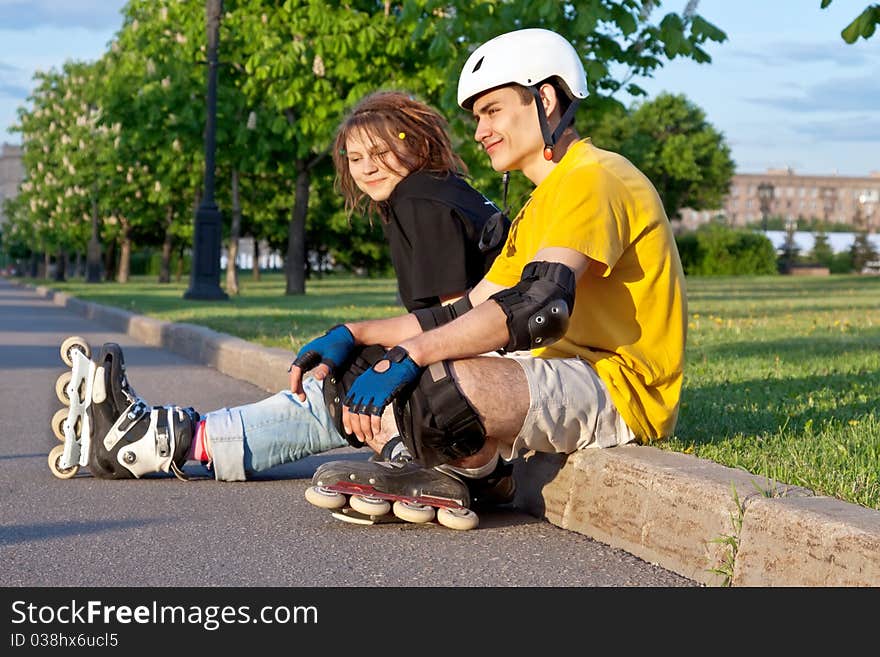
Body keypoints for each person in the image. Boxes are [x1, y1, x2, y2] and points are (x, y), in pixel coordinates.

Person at [293, 28, 687, 526]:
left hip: (619, 388)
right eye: (477, 117)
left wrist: (415, 353)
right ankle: (463, 471)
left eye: (492, 111)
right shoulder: (539, 202)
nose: (479, 131)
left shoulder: (595, 177)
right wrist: (355, 335)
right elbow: (465, 309)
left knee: (434, 382)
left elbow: (540, 306)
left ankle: (460, 470)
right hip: (551, 373)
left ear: (544, 98)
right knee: (356, 367)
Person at [48, 91, 509, 483]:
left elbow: (458, 324)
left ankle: (158, 441)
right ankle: (175, 437)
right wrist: (356, 334)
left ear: (417, 142)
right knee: (342, 377)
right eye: (356, 157)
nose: (368, 167)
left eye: (381, 151)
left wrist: (380, 365)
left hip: (485, 369)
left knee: (336, 394)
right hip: (501, 354)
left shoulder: (420, 199)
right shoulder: (444, 190)